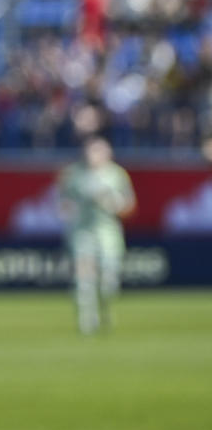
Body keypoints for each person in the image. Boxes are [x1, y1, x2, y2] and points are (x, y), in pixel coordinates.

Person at [57, 136, 136, 335]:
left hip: (108, 233)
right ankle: (87, 321)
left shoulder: (117, 175)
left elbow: (129, 206)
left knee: (108, 282)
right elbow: (63, 203)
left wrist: (113, 203)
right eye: (91, 151)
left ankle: (105, 309)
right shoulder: (74, 174)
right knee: (84, 280)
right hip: (82, 232)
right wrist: (68, 213)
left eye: (99, 151)